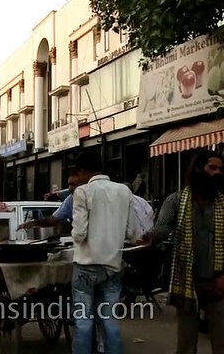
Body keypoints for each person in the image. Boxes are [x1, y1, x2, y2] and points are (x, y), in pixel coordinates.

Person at [139, 150, 224, 354]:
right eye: (212, 167)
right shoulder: (176, 201)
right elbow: (163, 227)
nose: (217, 173)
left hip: (217, 282)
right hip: (187, 282)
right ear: (197, 169)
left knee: (223, 345)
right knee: (185, 345)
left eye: (220, 169)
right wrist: (147, 237)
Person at [70, 150, 140, 354]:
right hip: (112, 267)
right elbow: (132, 232)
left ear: (82, 171)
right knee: (109, 321)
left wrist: (76, 233)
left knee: (84, 321)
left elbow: (80, 233)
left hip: (85, 268)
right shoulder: (124, 191)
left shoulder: (82, 191)